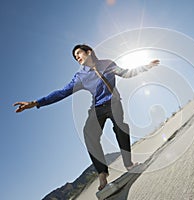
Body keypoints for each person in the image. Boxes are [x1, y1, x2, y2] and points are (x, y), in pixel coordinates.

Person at [13, 44, 160, 190]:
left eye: (78, 53)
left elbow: (125, 73)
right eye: (75, 57)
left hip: (114, 103)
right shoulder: (80, 76)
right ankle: (102, 173)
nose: (77, 57)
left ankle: (129, 164)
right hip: (97, 108)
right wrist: (35, 103)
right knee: (89, 134)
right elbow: (61, 92)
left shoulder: (107, 64)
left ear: (88, 52)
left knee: (120, 127)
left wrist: (146, 66)